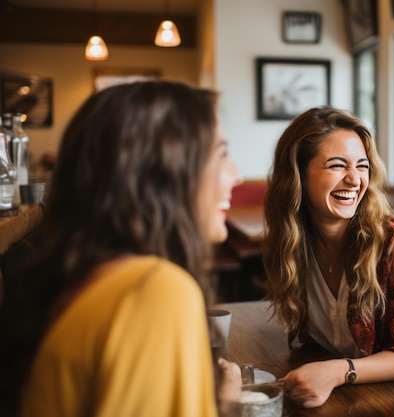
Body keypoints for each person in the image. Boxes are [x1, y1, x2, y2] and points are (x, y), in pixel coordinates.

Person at [0, 81, 244, 417]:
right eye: (221, 155)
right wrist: (228, 405)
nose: (237, 175)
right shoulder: (153, 291)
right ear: (162, 174)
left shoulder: (81, 279)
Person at [263, 106, 394, 408]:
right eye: (337, 165)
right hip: (333, 396)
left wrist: (338, 372)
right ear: (298, 174)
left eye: (362, 166)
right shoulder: (293, 240)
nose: (354, 180)